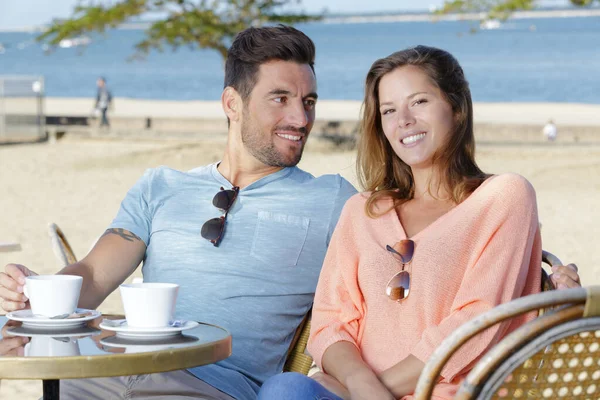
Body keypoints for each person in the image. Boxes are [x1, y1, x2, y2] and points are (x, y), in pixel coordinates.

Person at [0, 30, 580, 400]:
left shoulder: (333, 200)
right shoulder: (160, 186)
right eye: (280, 99)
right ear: (232, 104)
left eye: (308, 102)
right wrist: (36, 290)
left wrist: (548, 287)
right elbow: (94, 277)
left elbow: (459, 283)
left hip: (216, 384)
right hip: (105, 371)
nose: (300, 118)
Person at [257, 46, 581, 400]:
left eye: (420, 102)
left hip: (443, 395)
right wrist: (359, 383)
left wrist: (365, 392)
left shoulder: (504, 196)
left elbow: (476, 323)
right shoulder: (361, 211)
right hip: (347, 390)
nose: (404, 120)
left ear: (456, 108)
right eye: (389, 110)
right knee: (284, 387)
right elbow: (329, 325)